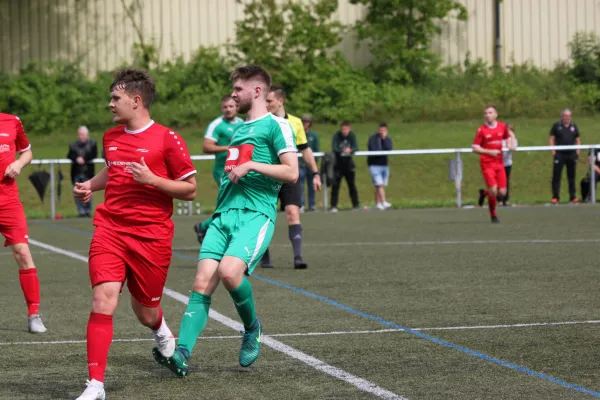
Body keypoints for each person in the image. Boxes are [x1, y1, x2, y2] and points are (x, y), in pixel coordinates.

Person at [153, 65, 298, 377]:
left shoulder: (277, 126)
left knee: (230, 273)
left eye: (238, 90)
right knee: (201, 282)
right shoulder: (238, 130)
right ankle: (182, 354)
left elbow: (292, 172)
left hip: (255, 215)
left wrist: (252, 166)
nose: (233, 95)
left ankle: (252, 327)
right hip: (223, 216)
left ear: (257, 91)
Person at [73, 68, 197, 400]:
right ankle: (96, 384)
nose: (110, 104)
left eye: (116, 98)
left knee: (145, 312)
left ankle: (160, 330)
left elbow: (190, 189)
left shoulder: (167, 139)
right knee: (103, 299)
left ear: (136, 100)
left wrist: (154, 181)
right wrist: (91, 185)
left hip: (152, 237)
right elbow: (113, 169)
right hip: (110, 229)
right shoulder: (111, 137)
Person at [260, 85, 321, 269]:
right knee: (263, 217)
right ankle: (264, 257)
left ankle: (298, 257)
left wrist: (315, 173)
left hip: (288, 176)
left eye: (269, 101)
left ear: (281, 101)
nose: (266, 104)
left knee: (293, 213)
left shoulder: (295, 123)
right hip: (267, 177)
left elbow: (305, 150)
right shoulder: (261, 121)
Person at [0, 113, 47, 334]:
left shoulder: (12, 121)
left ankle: (34, 315)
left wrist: (19, 163)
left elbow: (27, 152)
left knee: (23, 254)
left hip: (8, 201)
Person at [193, 95, 243, 243]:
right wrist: (228, 148)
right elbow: (206, 146)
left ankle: (204, 226)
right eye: (225, 107)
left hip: (240, 170)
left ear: (236, 107)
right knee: (231, 204)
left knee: (235, 204)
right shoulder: (217, 125)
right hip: (223, 172)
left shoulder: (242, 123)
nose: (228, 109)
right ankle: (211, 230)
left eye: (231, 106)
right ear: (222, 108)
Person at [472, 105, 516, 223]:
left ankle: (484, 193)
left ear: (496, 114)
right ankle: (493, 215)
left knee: (502, 192)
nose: (488, 115)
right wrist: (489, 152)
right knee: (494, 190)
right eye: (486, 113)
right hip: (487, 164)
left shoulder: (502, 127)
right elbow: (475, 148)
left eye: (490, 113)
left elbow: (507, 138)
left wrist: (510, 144)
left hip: (499, 163)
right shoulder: (481, 130)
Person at [549, 108, 581, 204]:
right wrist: (553, 150)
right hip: (559, 154)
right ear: (562, 116)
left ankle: (572, 196)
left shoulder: (574, 126)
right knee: (556, 176)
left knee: (571, 176)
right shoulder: (556, 126)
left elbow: (578, 140)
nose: (567, 118)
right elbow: (551, 139)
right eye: (565, 116)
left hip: (571, 155)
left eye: (569, 116)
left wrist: (577, 151)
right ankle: (555, 197)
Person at [67, 126, 98, 217]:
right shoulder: (73, 145)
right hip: (76, 172)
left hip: (88, 172)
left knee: (88, 192)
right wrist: (76, 158)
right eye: (80, 134)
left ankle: (88, 210)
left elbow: (93, 154)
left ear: (87, 135)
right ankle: (81, 211)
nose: (81, 136)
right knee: (77, 192)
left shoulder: (92, 144)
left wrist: (84, 158)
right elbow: (70, 155)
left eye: (83, 134)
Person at [330, 121, 359, 212]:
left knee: (352, 185)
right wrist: (343, 150)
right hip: (338, 165)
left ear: (349, 129)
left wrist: (350, 150)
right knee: (335, 186)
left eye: (346, 129)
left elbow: (356, 147)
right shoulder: (336, 136)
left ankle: (356, 205)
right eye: (343, 129)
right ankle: (333, 206)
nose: (344, 131)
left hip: (349, 165)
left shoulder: (352, 136)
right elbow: (334, 148)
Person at [367, 122, 393, 210]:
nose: (382, 132)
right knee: (380, 184)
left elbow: (389, 149)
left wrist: (384, 139)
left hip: (384, 165)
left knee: (379, 186)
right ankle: (384, 201)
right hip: (374, 165)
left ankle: (377, 203)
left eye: (384, 130)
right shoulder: (372, 139)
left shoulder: (388, 139)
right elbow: (373, 149)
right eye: (380, 130)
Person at [299, 114, 320, 211]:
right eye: (303, 121)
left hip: (310, 166)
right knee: (300, 185)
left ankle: (312, 205)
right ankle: (301, 204)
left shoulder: (314, 136)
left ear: (310, 123)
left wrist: (314, 164)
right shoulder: (298, 135)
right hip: (301, 165)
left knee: (312, 185)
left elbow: (316, 150)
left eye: (306, 122)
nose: (305, 123)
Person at [498, 123, 517, 206]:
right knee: (498, 181)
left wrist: (512, 137)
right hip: (498, 162)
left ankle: (506, 199)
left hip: (507, 163)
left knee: (506, 181)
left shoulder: (513, 139)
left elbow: (513, 147)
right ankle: (499, 200)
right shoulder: (499, 138)